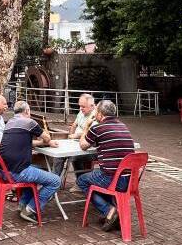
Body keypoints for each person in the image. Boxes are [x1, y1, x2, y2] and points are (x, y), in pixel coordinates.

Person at [77, 100, 136, 232]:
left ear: (100, 114)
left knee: (81, 180)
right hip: (129, 179)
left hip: (113, 179)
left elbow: (83, 145)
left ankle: (109, 210)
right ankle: (115, 211)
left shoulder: (97, 128)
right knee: (98, 175)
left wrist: (87, 126)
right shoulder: (123, 126)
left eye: (96, 111)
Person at [0, 101, 61, 223]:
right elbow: (47, 137)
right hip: (17, 172)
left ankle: (23, 204)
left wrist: (42, 143)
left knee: (38, 169)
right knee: (55, 180)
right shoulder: (29, 122)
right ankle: (31, 209)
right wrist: (47, 141)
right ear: (27, 111)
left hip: (3, 171)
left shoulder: (9, 123)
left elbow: (26, 142)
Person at [51, 93, 96, 190]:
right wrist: (69, 137)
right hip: (75, 142)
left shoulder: (95, 116)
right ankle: (54, 183)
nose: (81, 108)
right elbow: (74, 125)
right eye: (80, 106)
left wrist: (75, 135)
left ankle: (78, 183)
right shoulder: (81, 112)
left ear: (92, 106)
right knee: (59, 154)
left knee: (71, 156)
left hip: (89, 146)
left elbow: (91, 133)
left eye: (83, 106)